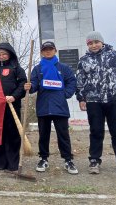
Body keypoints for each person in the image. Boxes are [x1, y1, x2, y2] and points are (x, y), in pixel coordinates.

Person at [76, 31, 116, 175]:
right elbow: (80, 81)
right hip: (94, 101)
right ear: (87, 44)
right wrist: (81, 98)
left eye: (96, 42)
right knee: (96, 131)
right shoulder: (84, 60)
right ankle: (94, 160)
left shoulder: (114, 55)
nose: (94, 45)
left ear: (102, 42)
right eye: (90, 43)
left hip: (115, 98)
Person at [24, 41, 78, 175]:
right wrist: (29, 87)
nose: (48, 51)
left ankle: (68, 160)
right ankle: (43, 159)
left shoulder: (63, 67)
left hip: (60, 107)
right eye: (45, 49)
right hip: (43, 106)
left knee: (63, 135)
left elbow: (72, 81)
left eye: (50, 49)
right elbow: (34, 84)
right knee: (43, 135)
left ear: (55, 50)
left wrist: (65, 94)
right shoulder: (37, 68)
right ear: (42, 52)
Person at [0, 42, 27, 172]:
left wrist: (14, 96)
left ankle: (13, 163)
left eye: (4, 54)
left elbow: (23, 85)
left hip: (12, 106)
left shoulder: (17, 69)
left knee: (13, 134)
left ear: (10, 54)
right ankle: (0, 162)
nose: (1, 56)